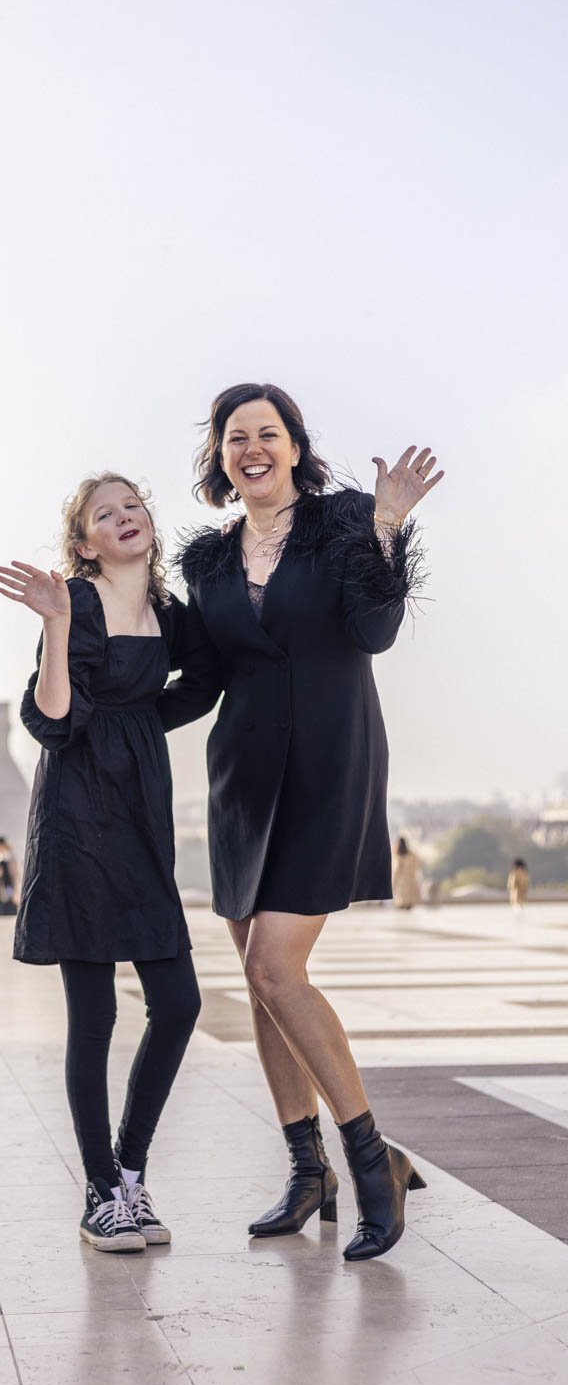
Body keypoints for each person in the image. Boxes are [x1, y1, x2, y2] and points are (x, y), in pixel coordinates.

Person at [160, 382, 442, 1262]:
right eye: (235, 436)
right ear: (220, 456)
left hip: (330, 761)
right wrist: (110, 715)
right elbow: (205, 681)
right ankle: (305, 1167)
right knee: (259, 982)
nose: (252, 448)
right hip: (243, 777)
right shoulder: (208, 562)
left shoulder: (345, 520)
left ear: (294, 446)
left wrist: (388, 525)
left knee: (274, 968)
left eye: (267, 433)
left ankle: (371, 1160)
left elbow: (375, 631)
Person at [0, 473, 202, 1253]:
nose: (123, 518)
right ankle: (100, 1192)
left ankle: (131, 1169)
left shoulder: (170, 614)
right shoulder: (76, 602)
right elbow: (51, 719)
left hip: (140, 813)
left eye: (131, 505)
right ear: (84, 543)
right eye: (102, 514)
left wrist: (139, 721)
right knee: (96, 1016)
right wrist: (54, 626)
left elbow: (204, 685)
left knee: (178, 1003)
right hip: (79, 817)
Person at [0, 836, 19, 917]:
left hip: (8, 887)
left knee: (8, 907)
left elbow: (14, 875)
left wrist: (14, 891)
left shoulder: (9, 856)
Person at [392, 836, 422, 910]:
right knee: (408, 903)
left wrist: (394, 883)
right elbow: (417, 865)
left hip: (402, 882)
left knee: (402, 903)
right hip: (410, 881)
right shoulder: (412, 855)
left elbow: (396, 870)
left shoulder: (398, 856)